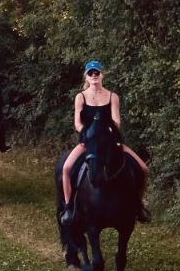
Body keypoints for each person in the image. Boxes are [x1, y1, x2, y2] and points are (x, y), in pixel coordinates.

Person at [60, 60, 150, 222]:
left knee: (143, 169)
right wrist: (89, 134)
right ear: (86, 77)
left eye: (97, 73)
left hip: (109, 141)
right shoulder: (80, 97)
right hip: (88, 141)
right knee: (66, 168)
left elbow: (116, 121)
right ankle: (68, 208)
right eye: (90, 73)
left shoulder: (112, 96)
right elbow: (77, 123)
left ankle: (138, 206)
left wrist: (105, 133)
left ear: (102, 75)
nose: (94, 75)